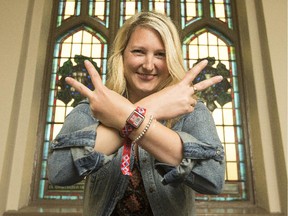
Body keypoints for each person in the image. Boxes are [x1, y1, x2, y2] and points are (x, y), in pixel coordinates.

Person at [48, 11, 225, 216]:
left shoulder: (191, 111)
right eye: (139, 52)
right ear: (122, 55)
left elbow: (213, 179)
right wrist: (152, 107)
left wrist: (125, 117)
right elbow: (58, 172)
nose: (149, 65)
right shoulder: (92, 109)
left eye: (160, 54)